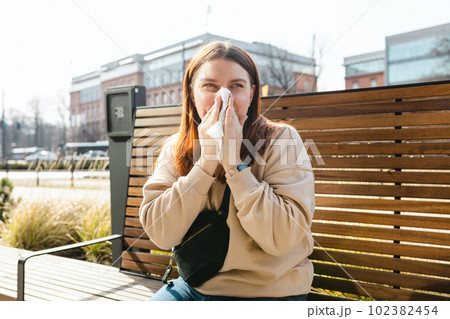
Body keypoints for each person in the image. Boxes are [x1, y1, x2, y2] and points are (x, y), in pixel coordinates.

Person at [139, 41, 315, 301]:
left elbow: (284, 237)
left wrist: (234, 166)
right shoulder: (176, 148)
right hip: (195, 287)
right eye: (210, 86)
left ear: (252, 93)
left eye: (237, 85)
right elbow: (161, 233)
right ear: (192, 93)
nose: (223, 97)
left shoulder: (283, 140)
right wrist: (206, 163)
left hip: (271, 293)